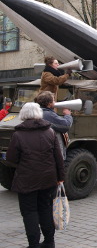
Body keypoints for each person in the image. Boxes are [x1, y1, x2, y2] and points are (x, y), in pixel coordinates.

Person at [6, 102, 65, 248]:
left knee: (29, 212)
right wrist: (60, 178)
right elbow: (58, 157)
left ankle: (34, 244)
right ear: (38, 113)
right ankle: (49, 242)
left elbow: (11, 159)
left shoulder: (18, 134)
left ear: (23, 115)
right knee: (45, 209)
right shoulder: (50, 131)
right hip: (48, 179)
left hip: (27, 180)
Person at [35, 91, 73, 160]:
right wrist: (67, 115)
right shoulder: (48, 114)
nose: (55, 102)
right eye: (53, 100)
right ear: (49, 104)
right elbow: (66, 126)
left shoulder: (38, 112)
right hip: (51, 155)